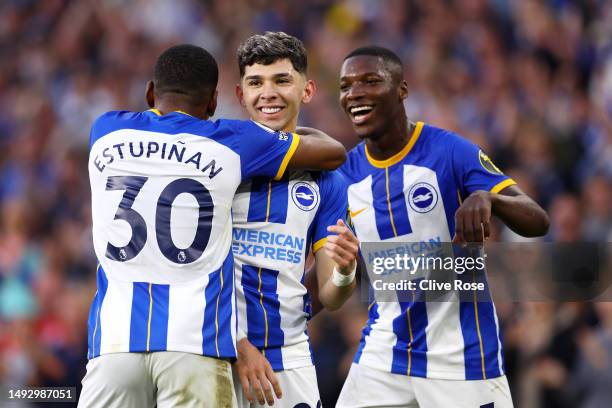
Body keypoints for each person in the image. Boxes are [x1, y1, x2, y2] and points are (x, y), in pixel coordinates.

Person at [79, 44, 346, 408]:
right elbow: (334, 152)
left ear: (149, 92)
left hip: (114, 343)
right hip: (197, 346)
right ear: (215, 101)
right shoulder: (231, 142)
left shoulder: (106, 129)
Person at [335, 46, 550, 408]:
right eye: (346, 85)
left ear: (402, 90)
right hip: (384, 352)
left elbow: (537, 219)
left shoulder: (450, 151)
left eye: (370, 81)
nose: (355, 93)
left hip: (461, 354)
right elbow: (340, 273)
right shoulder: (345, 175)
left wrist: (490, 198)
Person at [231, 32, 359, 408]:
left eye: (281, 80)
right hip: (218, 353)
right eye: (255, 82)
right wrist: (237, 344)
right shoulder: (216, 166)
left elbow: (332, 295)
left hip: (290, 357)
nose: (267, 93)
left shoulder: (329, 182)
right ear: (241, 95)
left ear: (307, 90)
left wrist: (346, 271)